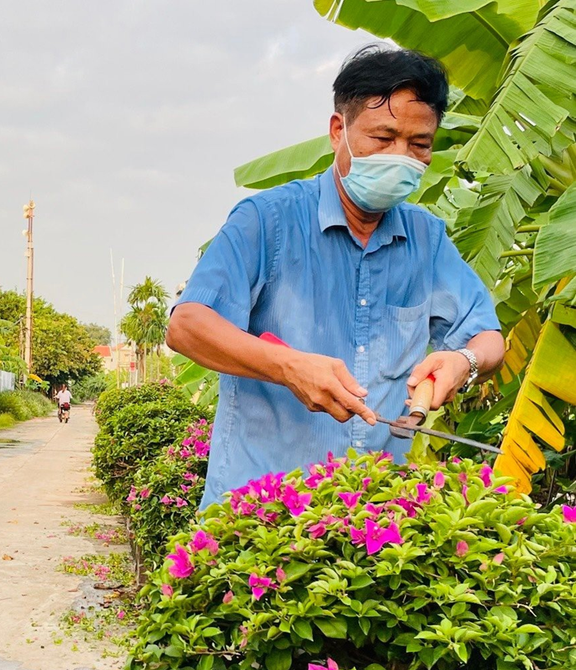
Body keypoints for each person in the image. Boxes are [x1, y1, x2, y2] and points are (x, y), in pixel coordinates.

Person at [168, 46, 505, 509]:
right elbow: (186, 325)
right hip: (255, 519)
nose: (400, 156)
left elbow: (488, 335)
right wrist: (289, 367)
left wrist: (462, 360)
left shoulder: (427, 239)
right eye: (382, 138)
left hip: (373, 526)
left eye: (419, 144)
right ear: (337, 131)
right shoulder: (266, 221)